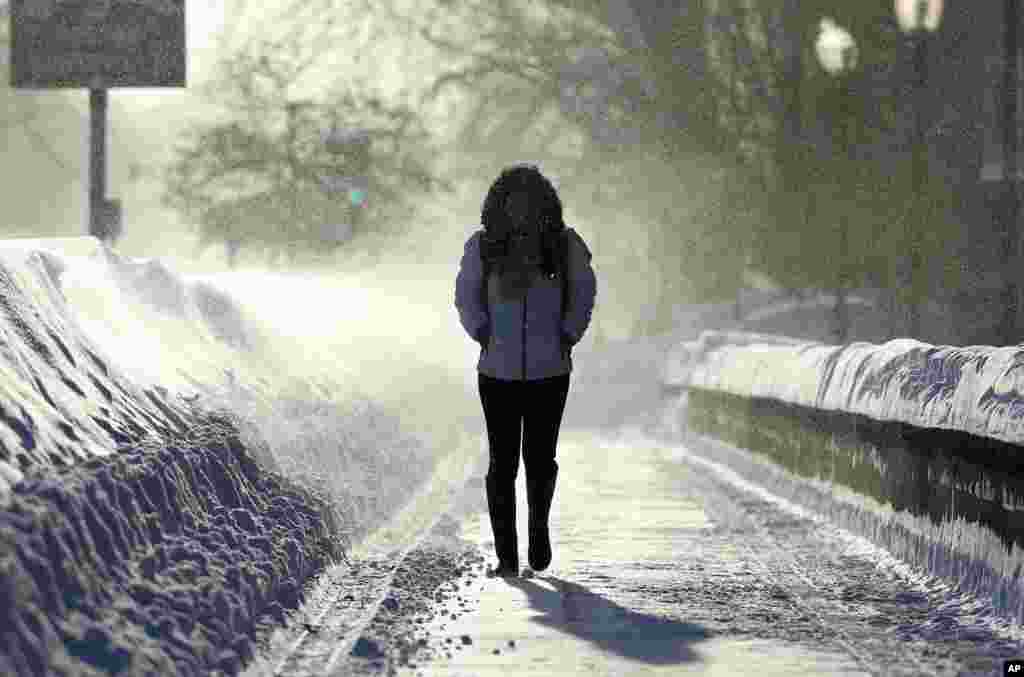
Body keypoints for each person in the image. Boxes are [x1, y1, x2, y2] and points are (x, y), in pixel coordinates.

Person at [454, 164, 597, 578]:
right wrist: (481, 332)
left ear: (544, 205)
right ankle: (506, 557)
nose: (521, 211)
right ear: (499, 206)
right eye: (512, 202)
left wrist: (568, 334)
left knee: (540, 458)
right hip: (496, 373)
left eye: (530, 202)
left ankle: (537, 529)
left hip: (550, 372)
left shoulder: (564, 246)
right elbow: (466, 296)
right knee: (502, 463)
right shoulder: (482, 248)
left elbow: (584, 291)